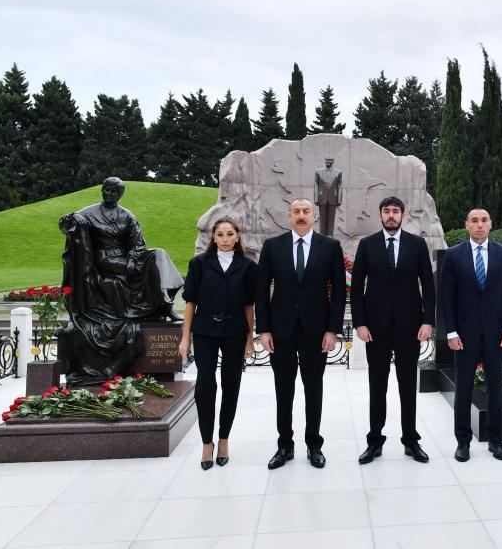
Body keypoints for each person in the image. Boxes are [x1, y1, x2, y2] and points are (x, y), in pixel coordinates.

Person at [57, 177, 184, 385]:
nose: (109, 194)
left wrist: (134, 259)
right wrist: (72, 220)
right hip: (103, 260)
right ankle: (160, 302)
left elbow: (138, 243)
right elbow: (65, 224)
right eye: (106, 190)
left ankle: (164, 302)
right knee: (134, 267)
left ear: (120, 194)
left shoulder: (127, 216)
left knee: (158, 254)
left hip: (126, 259)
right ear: (102, 190)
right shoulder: (88, 213)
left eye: (114, 192)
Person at [256, 198, 346, 469]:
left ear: (315, 216)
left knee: (313, 389)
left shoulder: (330, 247)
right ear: (288, 216)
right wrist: (264, 329)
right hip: (280, 330)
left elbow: (340, 292)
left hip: (316, 331)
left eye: (306, 211)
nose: (301, 215)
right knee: (283, 390)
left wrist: (332, 330)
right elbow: (261, 291)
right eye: (296, 212)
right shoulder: (272, 247)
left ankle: (313, 445)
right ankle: (285, 445)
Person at [350, 196, 436, 464]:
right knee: (377, 385)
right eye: (386, 211)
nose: (390, 215)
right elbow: (356, 289)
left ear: (402, 215)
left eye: (395, 211)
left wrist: (427, 320)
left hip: (410, 327)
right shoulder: (367, 245)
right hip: (375, 329)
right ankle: (374, 441)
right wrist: (360, 323)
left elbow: (428, 286)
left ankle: (411, 441)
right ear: (380, 214)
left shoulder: (417, 244)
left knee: (407, 385)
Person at [441, 208, 502, 462]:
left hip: (497, 335)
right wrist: (451, 331)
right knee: (463, 389)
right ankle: (462, 442)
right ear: (466, 225)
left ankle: (496, 441)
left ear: (490, 224)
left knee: (495, 389)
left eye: (483, 220)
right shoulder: (453, 256)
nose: (479, 225)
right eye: (474, 221)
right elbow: (447, 297)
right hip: (464, 335)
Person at [179, 218, 257, 470]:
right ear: (213, 237)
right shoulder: (199, 264)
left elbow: (249, 306)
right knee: (205, 386)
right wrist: (185, 337)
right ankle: (206, 443)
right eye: (220, 234)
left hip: (234, 332)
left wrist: (249, 339)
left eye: (230, 234)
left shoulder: (247, 266)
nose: (225, 238)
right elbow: (190, 302)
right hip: (204, 332)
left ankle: (223, 439)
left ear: (237, 237)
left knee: (231, 385)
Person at [314, 157, 342, 237]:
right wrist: (316, 198)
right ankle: (322, 235)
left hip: (333, 198)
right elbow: (316, 184)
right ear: (325, 161)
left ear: (333, 161)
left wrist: (339, 199)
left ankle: (330, 235)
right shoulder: (318, 172)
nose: (328, 162)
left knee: (331, 218)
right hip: (321, 198)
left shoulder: (338, 172)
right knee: (322, 218)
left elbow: (340, 185)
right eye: (327, 160)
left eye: (330, 160)